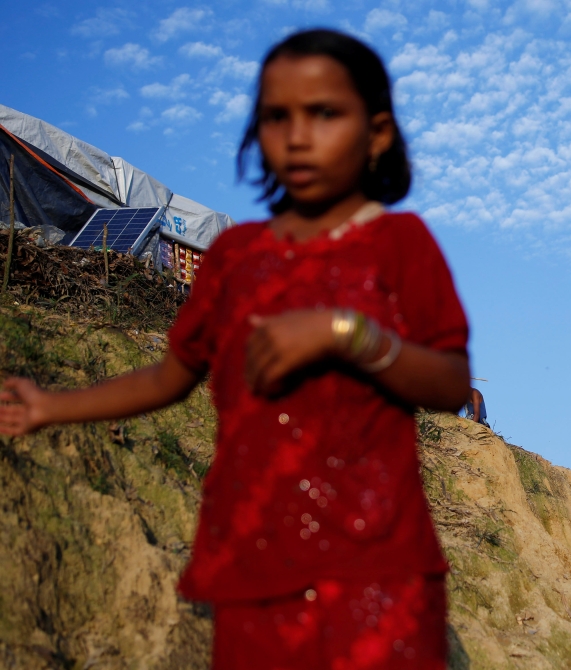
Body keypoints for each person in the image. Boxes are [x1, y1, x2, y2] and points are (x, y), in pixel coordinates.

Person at [0, 29, 469, 669]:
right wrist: (51, 407)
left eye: (324, 112)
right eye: (277, 116)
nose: (297, 134)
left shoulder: (400, 244)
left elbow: (448, 383)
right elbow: (169, 377)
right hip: (253, 568)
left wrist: (347, 334)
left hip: (378, 572)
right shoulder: (232, 260)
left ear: (378, 132)